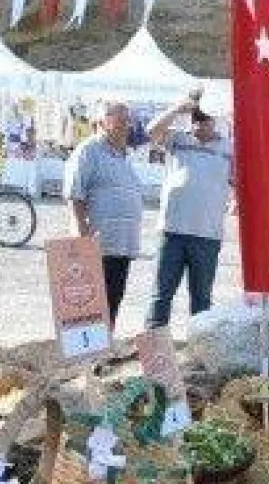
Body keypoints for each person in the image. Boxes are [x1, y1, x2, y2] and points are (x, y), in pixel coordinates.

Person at [144, 93, 233, 329]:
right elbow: (151, 130)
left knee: (201, 300)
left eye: (205, 118)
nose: (200, 123)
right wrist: (177, 107)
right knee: (161, 295)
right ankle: (155, 355)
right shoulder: (177, 139)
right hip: (171, 231)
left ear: (215, 119)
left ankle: (200, 352)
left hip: (207, 235)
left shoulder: (230, 148)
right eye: (195, 118)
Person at [65, 99, 144, 326]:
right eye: (121, 120)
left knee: (112, 302)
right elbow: (74, 194)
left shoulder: (123, 155)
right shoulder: (89, 150)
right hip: (97, 244)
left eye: (128, 121)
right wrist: (81, 235)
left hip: (121, 245)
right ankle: (89, 357)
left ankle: (102, 352)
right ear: (102, 121)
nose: (127, 125)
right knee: (90, 306)